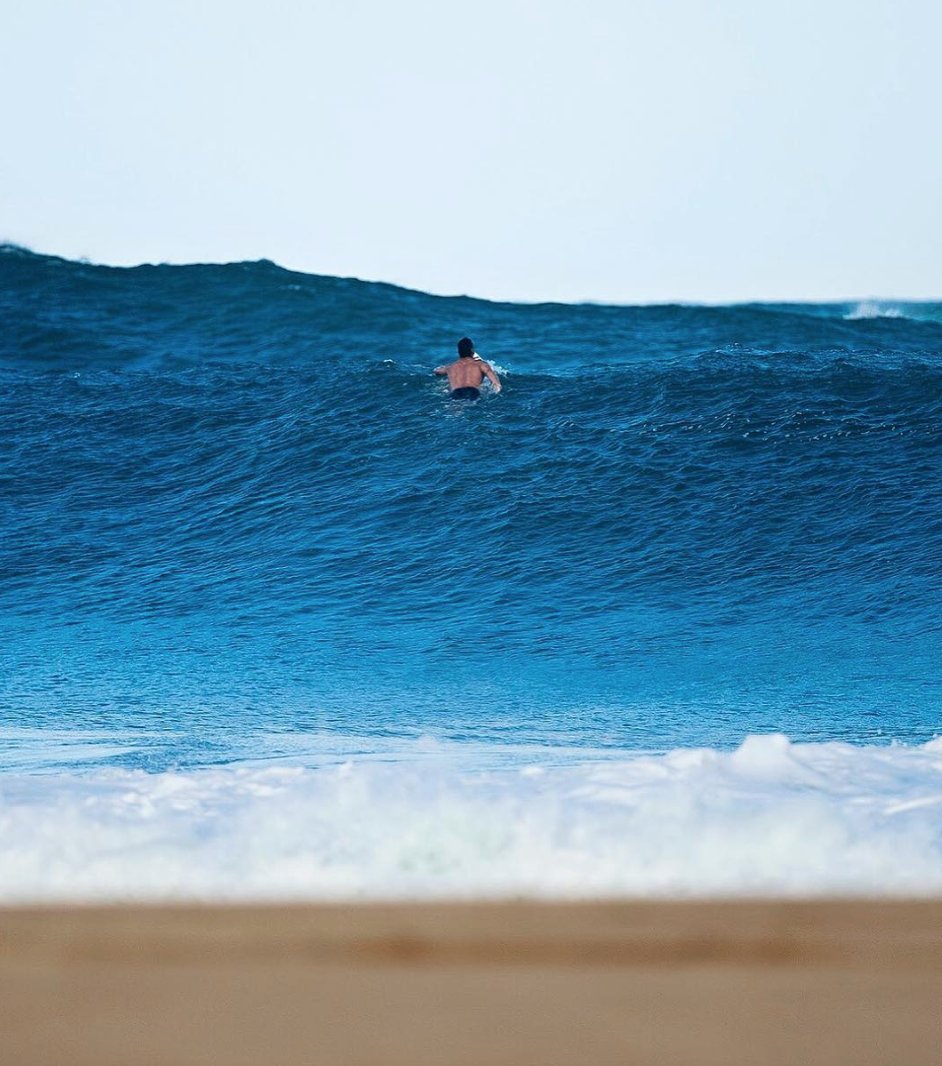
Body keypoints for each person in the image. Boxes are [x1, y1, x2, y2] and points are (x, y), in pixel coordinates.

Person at [434, 337, 502, 399]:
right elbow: (496, 384)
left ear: (458, 352)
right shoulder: (481, 365)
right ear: (472, 351)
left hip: (456, 393)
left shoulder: (450, 367)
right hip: (472, 392)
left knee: (456, 407)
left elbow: (437, 371)